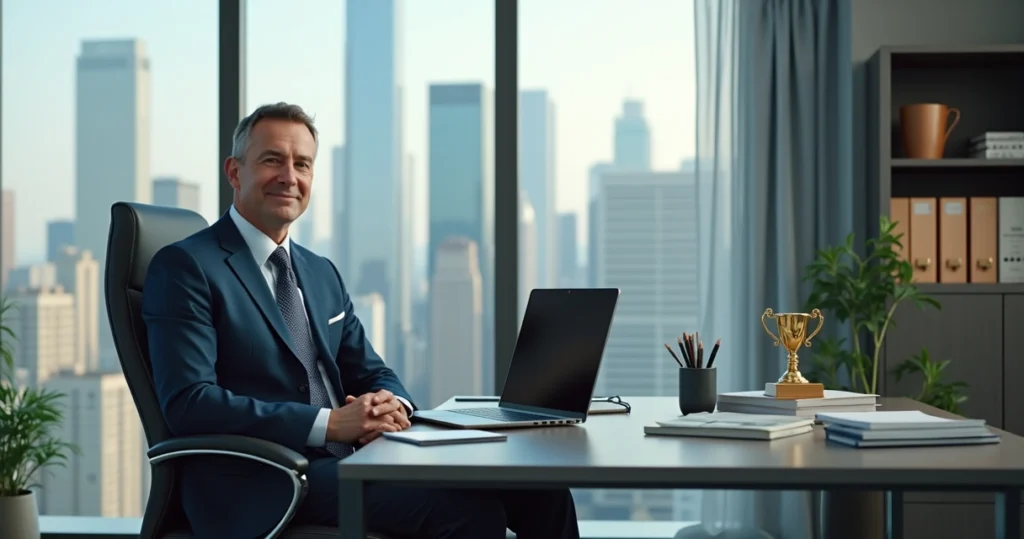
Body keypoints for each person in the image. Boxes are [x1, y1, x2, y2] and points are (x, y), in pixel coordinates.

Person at [142, 102, 580, 539]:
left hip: (354, 461)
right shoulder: (187, 267)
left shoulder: (319, 272)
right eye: (272, 160)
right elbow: (189, 402)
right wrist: (332, 424)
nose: (289, 177)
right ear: (235, 172)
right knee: (467, 511)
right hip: (264, 480)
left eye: (303, 164)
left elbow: (374, 371)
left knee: (541, 490)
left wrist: (391, 407)